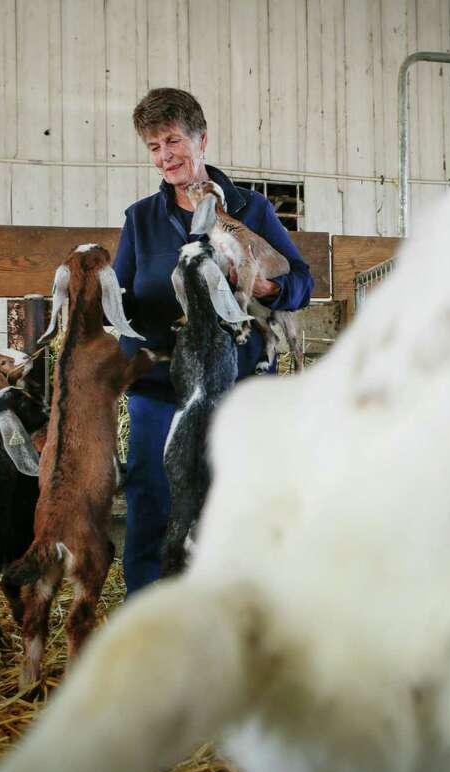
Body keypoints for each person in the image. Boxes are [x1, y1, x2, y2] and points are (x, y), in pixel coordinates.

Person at [113, 88, 314, 594]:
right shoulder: (141, 219)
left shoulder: (251, 209)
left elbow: (302, 283)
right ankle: (147, 611)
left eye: (173, 141)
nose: (165, 156)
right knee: (151, 497)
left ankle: (230, 609)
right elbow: (121, 302)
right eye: (154, 146)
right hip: (160, 388)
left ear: (201, 139)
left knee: (235, 501)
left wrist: (267, 287)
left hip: (235, 386)